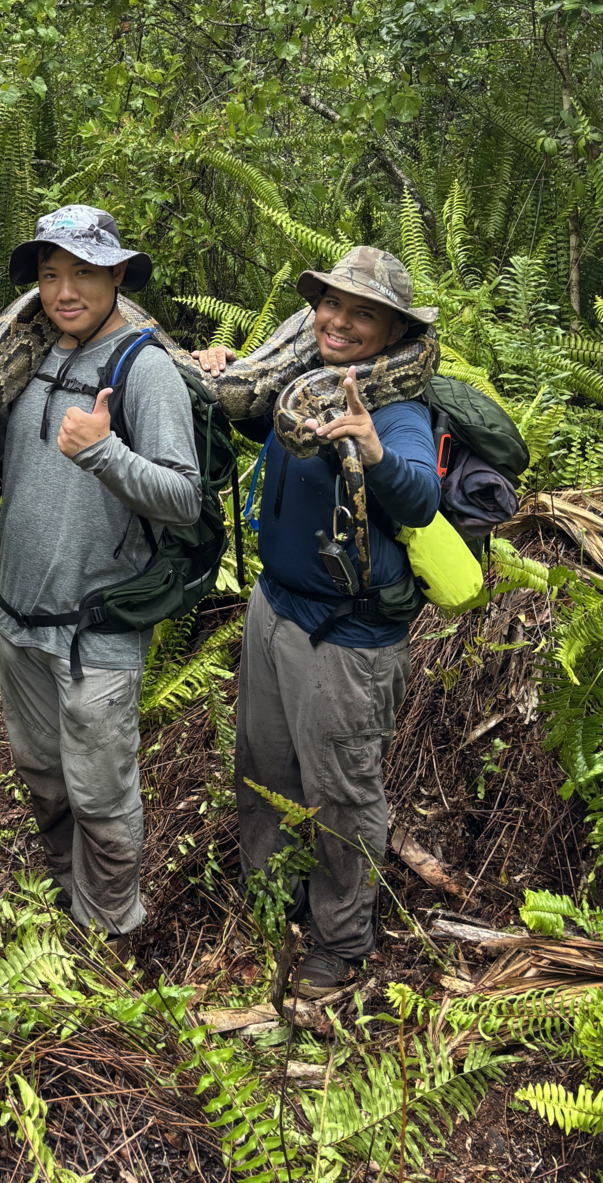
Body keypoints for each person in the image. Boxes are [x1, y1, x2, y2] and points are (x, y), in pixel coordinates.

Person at [0, 205, 200, 946]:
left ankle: (110, 934)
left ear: (116, 274)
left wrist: (105, 452)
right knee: (43, 777)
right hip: (20, 618)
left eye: (83, 272)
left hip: (96, 629)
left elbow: (183, 498)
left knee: (102, 794)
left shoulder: (145, 369)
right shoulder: (33, 356)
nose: (64, 289)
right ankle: (67, 900)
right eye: (50, 274)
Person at [194, 248, 440, 997]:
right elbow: (256, 427)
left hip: (347, 638)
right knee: (264, 768)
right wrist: (224, 366)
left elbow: (422, 498)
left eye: (361, 312)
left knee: (342, 791)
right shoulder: (306, 387)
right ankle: (271, 899)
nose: (337, 320)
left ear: (394, 331)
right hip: (275, 611)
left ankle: (341, 939)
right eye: (330, 304)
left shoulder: (396, 412)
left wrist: (373, 450)